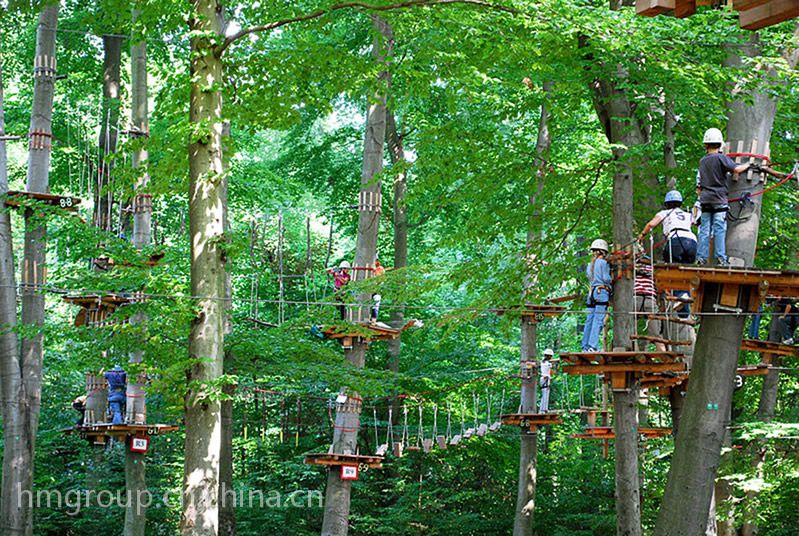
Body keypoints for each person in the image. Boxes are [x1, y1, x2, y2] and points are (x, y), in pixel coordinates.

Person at [696, 128, 754, 266]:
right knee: (719, 229)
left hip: (705, 200)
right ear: (719, 144)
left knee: (704, 230)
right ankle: (721, 258)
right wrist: (749, 164)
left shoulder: (703, 161)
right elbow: (736, 169)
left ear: (706, 145)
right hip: (719, 199)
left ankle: (700, 258)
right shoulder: (721, 158)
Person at [638, 190, 697, 264]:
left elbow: (651, 224)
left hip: (676, 239)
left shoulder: (664, 213)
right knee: (688, 268)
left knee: (670, 265)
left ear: (667, 204)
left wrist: (642, 234)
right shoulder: (688, 214)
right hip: (692, 241)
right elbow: (696, 223)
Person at [581, 239, 612, 352]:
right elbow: (606, 278)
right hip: (601, 292)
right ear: (603, 252)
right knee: (598, 320)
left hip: (592, 293)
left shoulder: (590, 265)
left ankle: (585, 346)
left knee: (590, 320)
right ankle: (593, 346)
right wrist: (612, 279)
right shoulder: (603, 263)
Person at [633, 254, 665, 351]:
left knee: (629, 323)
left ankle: (632, 347)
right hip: (649, 298)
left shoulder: (633, 267)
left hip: (636, 297)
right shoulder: (653, 270)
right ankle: (661, 350)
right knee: (656, 331)